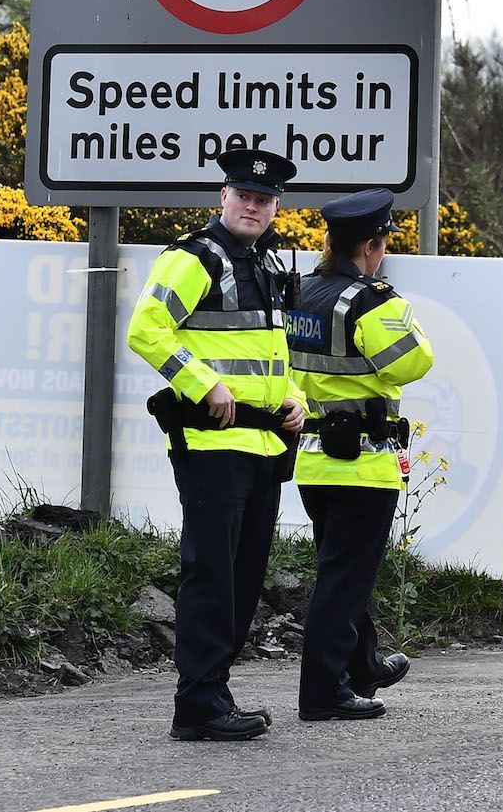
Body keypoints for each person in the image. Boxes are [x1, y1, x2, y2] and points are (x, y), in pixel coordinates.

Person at [126, 146, 307, 742]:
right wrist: (202, 382)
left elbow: (272, 351)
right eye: (244, 196)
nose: (253, 206)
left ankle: (214, 692)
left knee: (244, 575)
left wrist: (297, 396)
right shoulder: (194, 258)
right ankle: (198, 704)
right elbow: (145, 330)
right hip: (213, 443)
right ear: (222, 198)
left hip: (261, 444)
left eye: (264, 200)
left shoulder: (266, 263)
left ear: (275, 208)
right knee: (212, 574)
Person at [287, 187, 434, 721]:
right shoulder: (371, 300)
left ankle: (364, 662)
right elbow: (415, 361)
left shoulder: (301, 293)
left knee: (343, 568)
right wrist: (400, 308)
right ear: (374, 245)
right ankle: (324, 691)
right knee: (344, 577)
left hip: (313, 460)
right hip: (364, 463)